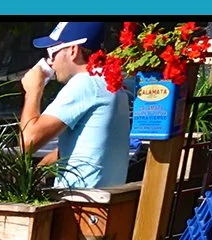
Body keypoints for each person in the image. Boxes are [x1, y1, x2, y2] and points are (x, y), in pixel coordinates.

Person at [19, 20, 132, 190]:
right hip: (100, 203)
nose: (50, 62)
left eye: (52, 52)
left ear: (73, 50)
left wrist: (33, 91)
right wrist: (38, 171)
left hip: (79, 207)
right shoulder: (108, 82)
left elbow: (27, 142)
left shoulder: (85, 83)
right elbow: (84, 146)